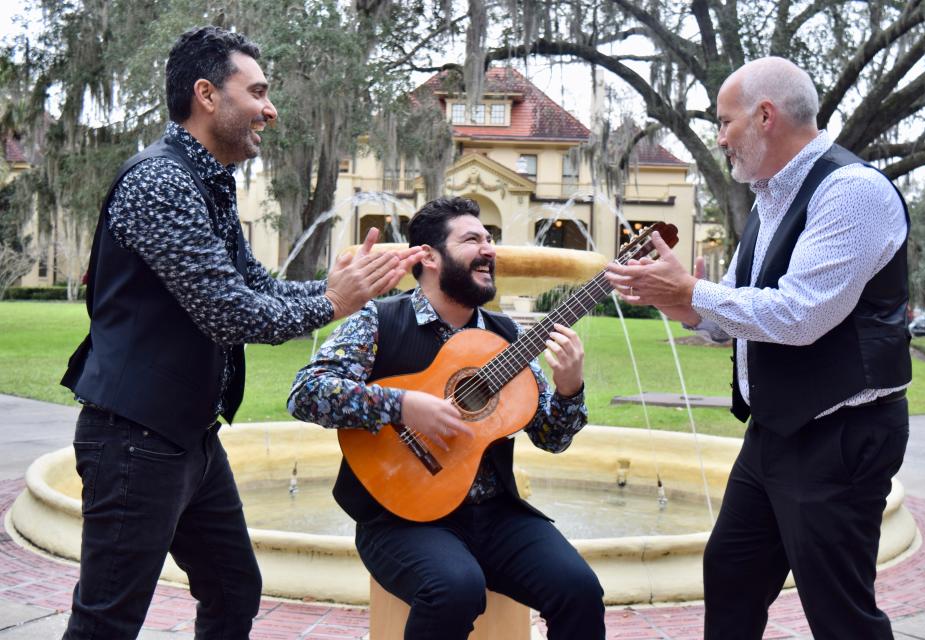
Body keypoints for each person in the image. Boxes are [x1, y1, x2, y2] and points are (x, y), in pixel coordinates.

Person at [59, 26, 422, 640]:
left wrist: (339, 290)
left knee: (233, 589)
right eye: (257, 91)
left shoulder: (208, 182)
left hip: (188, 439)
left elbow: (257, 285)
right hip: (134, 439)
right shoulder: (160, 182)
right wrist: (335, 299)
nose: (270, 108)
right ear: (206, 94)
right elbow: (232, 313)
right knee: (106, 622)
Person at [606, 57, 911, 640]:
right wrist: (672, 300)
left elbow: (800, 315)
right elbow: (747, 314)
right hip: (774, 432)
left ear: (765, 116)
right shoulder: (771, 197)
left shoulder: (851, 193)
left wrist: (692, 289)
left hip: (840, 435)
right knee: (730, 577)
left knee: (840, 614)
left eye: (725, 122)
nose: (719, 137)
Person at [288, 196, 606, 639]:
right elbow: (306, 393)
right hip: (397, 517)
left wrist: (570, 387)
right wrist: (401, 404)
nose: (489, 249)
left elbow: (552, 437)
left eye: (490, 239)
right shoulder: (377, 320)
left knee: (580, 590)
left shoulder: (508, 339)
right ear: (430, 258)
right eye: (472, 239)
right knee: (454, 589)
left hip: (495, 515)